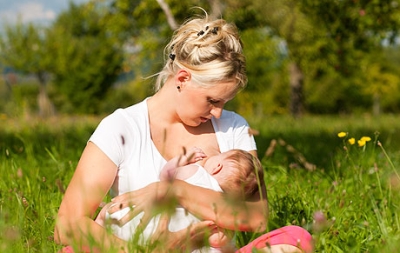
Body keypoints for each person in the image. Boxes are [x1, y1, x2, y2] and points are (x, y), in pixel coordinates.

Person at [54, 11, 313, 253]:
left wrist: (175, 191)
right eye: (212, 101)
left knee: (295, 240)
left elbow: (255, 217)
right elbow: (67, 225)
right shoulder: (122, 127)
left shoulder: (234, 128)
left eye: (225, 103)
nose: (219, 113)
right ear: (182, 79)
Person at [95, 147, 264, 252]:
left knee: (111, 214)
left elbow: (165, 176)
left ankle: (98, 225)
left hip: (143, 227)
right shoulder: (225, 208)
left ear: (217, 166)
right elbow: (216, 240)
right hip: (178, 240)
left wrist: (182, 160)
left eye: (220, 155)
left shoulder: (196, 172)